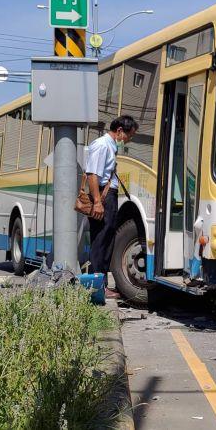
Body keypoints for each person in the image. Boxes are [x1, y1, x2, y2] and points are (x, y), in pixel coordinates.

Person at [84, 115, 138, 298]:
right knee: (100, 240)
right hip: (102, 196)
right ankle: (97, 287)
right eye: (129, 135)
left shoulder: (110, 146)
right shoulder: (102, 145)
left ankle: (102, 285)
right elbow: (92, 175)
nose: (128, 139)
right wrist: (98, 202)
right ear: (120, 130)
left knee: (107, 239)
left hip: (107, 196)